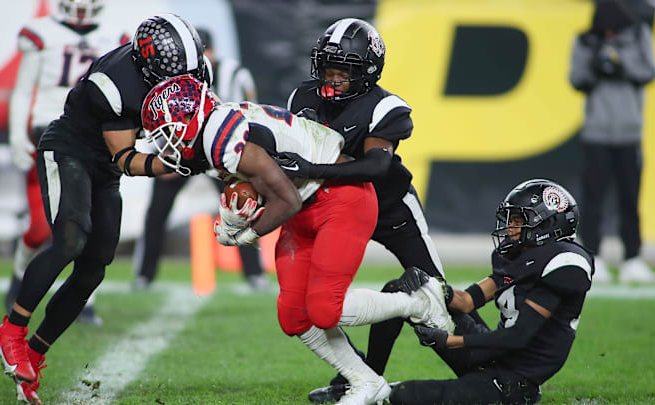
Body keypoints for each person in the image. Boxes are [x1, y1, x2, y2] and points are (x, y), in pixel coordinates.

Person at [140, 74, 455, 405]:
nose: (166, 145)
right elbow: (275, 184)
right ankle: (365, 380)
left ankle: (419, 303)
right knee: (294, 315)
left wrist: (245, 234)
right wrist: (243, 205)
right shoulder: (214, 130)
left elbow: (285, 200)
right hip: (307, 200)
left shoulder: (221, 137)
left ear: (190, 118)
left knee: (324, 309)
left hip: (340, 197)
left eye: (167, 133)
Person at [0, 14, 208, 405]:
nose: (180, 86)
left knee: (94, 268)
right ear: (146, 64)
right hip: (70, 151)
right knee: (71, 238)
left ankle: (35, 355)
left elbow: (201, 113)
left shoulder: (192, 69)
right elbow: (124, 158)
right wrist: (173, 164)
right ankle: (11, 330)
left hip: (103, 168)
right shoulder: (115, 81)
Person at [277, 18, 464, 402]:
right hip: (329, 212)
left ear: (367, 72)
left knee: (438, 295)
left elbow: (377, 166)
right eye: (328, 68)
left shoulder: (384, 107)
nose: (334, 77)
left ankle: (487, 373)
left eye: (344, 71)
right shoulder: (303, 98)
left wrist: (313, 170)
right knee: (313, 302)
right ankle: (360, 375)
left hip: (389, 209)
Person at [387, 179, 592, 405]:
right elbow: (465, 302)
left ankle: (380, 392)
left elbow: (517, 337)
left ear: (547, 224)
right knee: (399, 291)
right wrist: (432, 285)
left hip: (514, 380)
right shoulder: (522, 258)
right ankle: (366, 378)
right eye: (509, 220)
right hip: (492, 355)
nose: (510, 228)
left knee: (403, 395)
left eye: (517, 221)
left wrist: (449, 341)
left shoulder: (563, 265)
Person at [5, 0, 129, 326]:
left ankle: (85, 302)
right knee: (41, 228)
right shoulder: (42, 33)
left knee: (91, 228)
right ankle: (19, 279)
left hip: (94, 136)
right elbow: (22, 91)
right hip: (51, 132)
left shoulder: (114, 36)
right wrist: (17, 134)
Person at [131, 26, 267, 291]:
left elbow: (249, 116)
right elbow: (159, 117)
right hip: (181, 151)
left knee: (242, 206)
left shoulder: (235, 75)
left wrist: (238, 158)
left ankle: (254, 273)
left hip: (222, 154)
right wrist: (165, 153)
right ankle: (144, 275)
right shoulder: (171, 75)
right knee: (156, 212)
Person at [569, 0, 655, 283]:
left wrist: (621, 63)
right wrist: (596, 65)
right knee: (593, 199)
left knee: (629, 198)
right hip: (597, 133)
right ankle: (592, 256)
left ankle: (633, 257)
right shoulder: (585, 41)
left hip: (629, 133)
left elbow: (647, 72)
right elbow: (576, 79)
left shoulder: (638, 35)